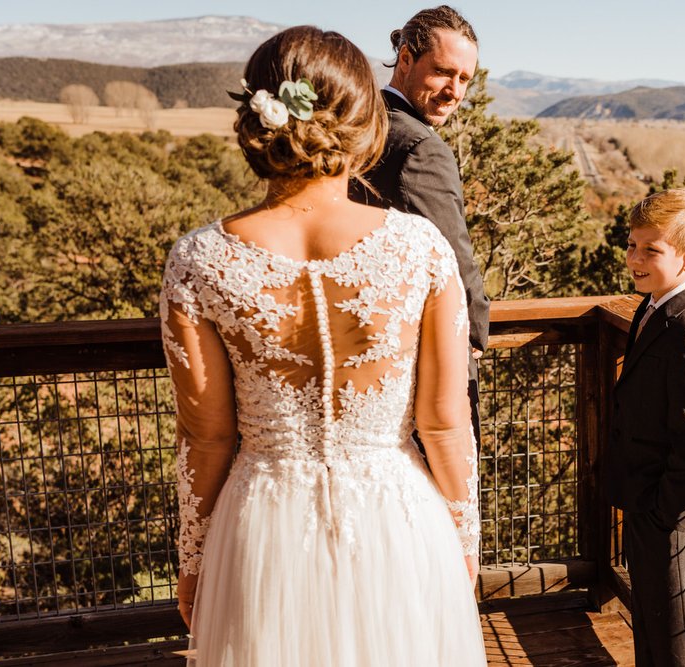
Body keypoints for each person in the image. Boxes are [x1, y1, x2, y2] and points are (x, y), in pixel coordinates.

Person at [160, 26, 486, 666]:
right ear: (368, 126)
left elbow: (206, 437)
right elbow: (444, 425)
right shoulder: (421, 250)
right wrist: (463, 541)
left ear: (257, 119)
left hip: (261, 526)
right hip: (397, 521)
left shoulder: (199, 260)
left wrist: (195, 559)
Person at [349, 6, 489, 447]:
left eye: (465, 79)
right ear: (405, 59)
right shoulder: (420, 148)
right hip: (422, 365)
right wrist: (476, 334)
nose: (454, 91)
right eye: (444, 72)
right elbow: (454, 257)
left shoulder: (358, 125)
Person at [603, 188, 685, 667]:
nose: (634, 257)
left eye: (650, 250)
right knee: (651, 626)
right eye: (632, 244)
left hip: (675, 516)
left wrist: (662, 513)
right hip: (649, 502)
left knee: (675, 639)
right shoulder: (655, 306)